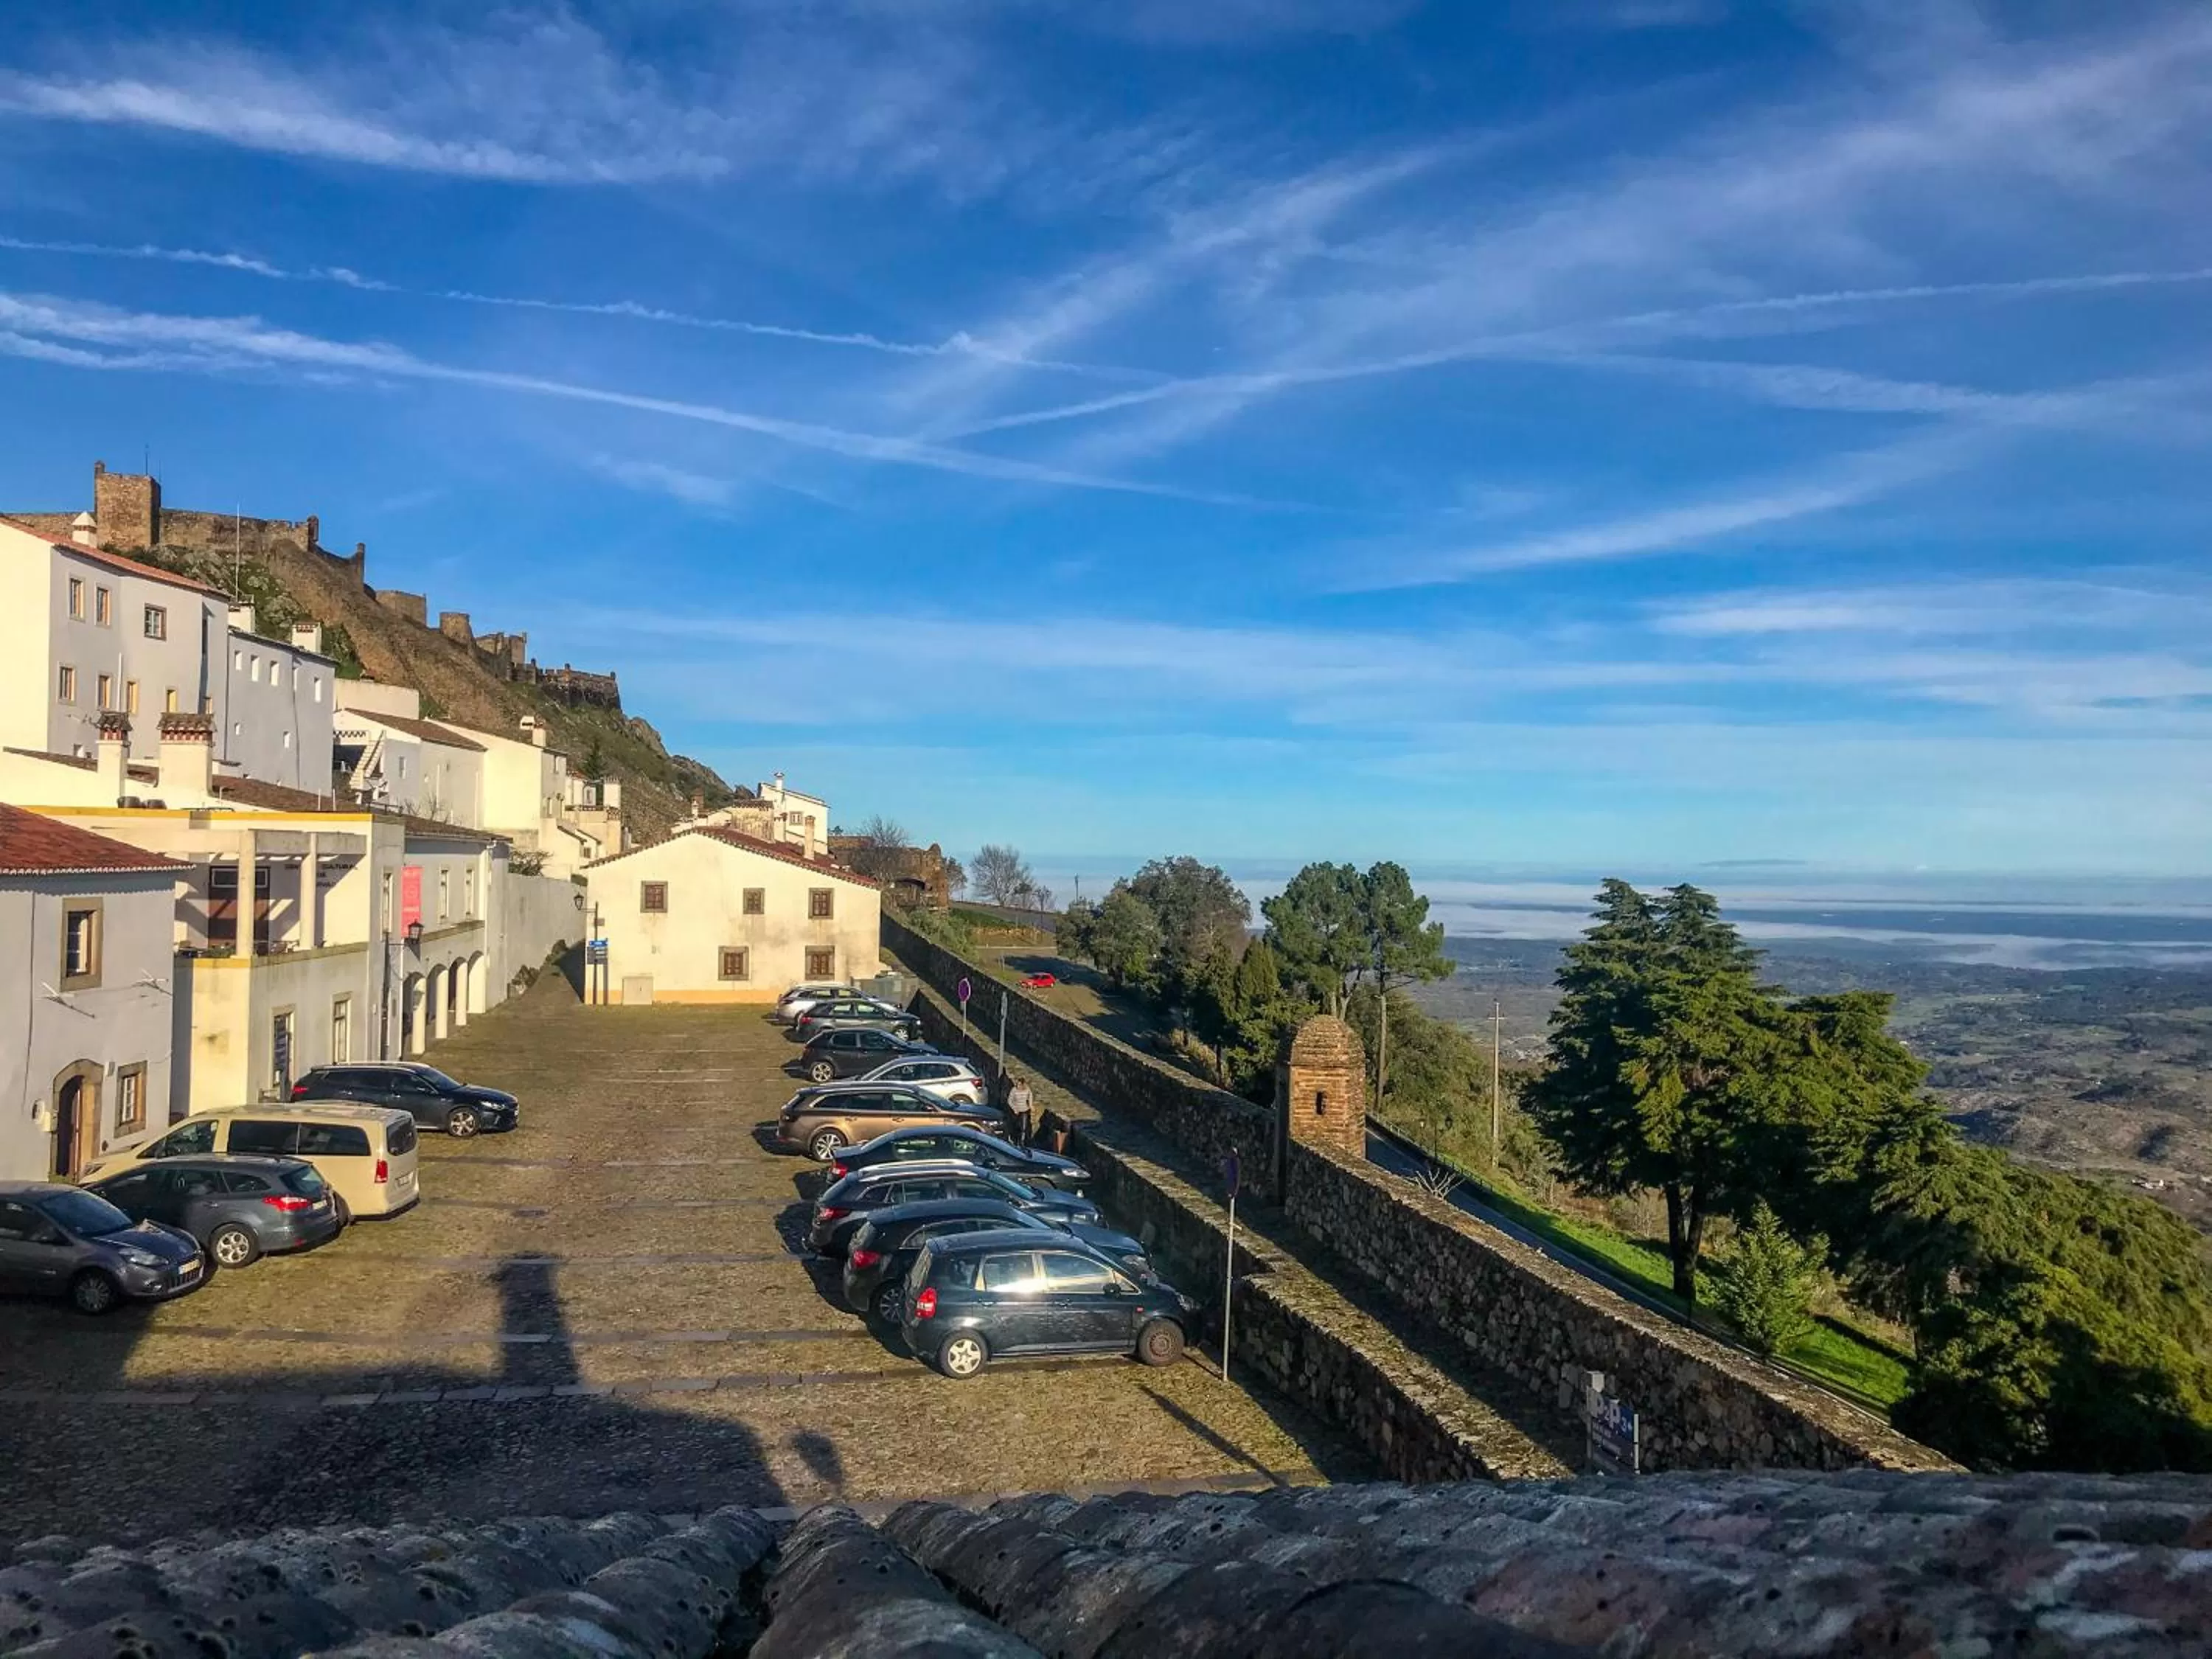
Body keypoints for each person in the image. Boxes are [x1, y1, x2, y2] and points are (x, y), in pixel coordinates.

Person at [1005, 1075, 1034, 1145]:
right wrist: (1015, 1109)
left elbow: (1030, 1096)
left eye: (1020, 1085)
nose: (1018, 1086)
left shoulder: (1027, 1090)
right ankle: (1014, 1139)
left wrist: (1031, 1105)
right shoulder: (1014, 1090)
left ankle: (1022, 1142)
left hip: (1024, 1110)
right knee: (1015, 1127)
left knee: (1024, 1127)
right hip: (1016, 1111)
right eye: (1017, 1085)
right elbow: (1010, 1100)